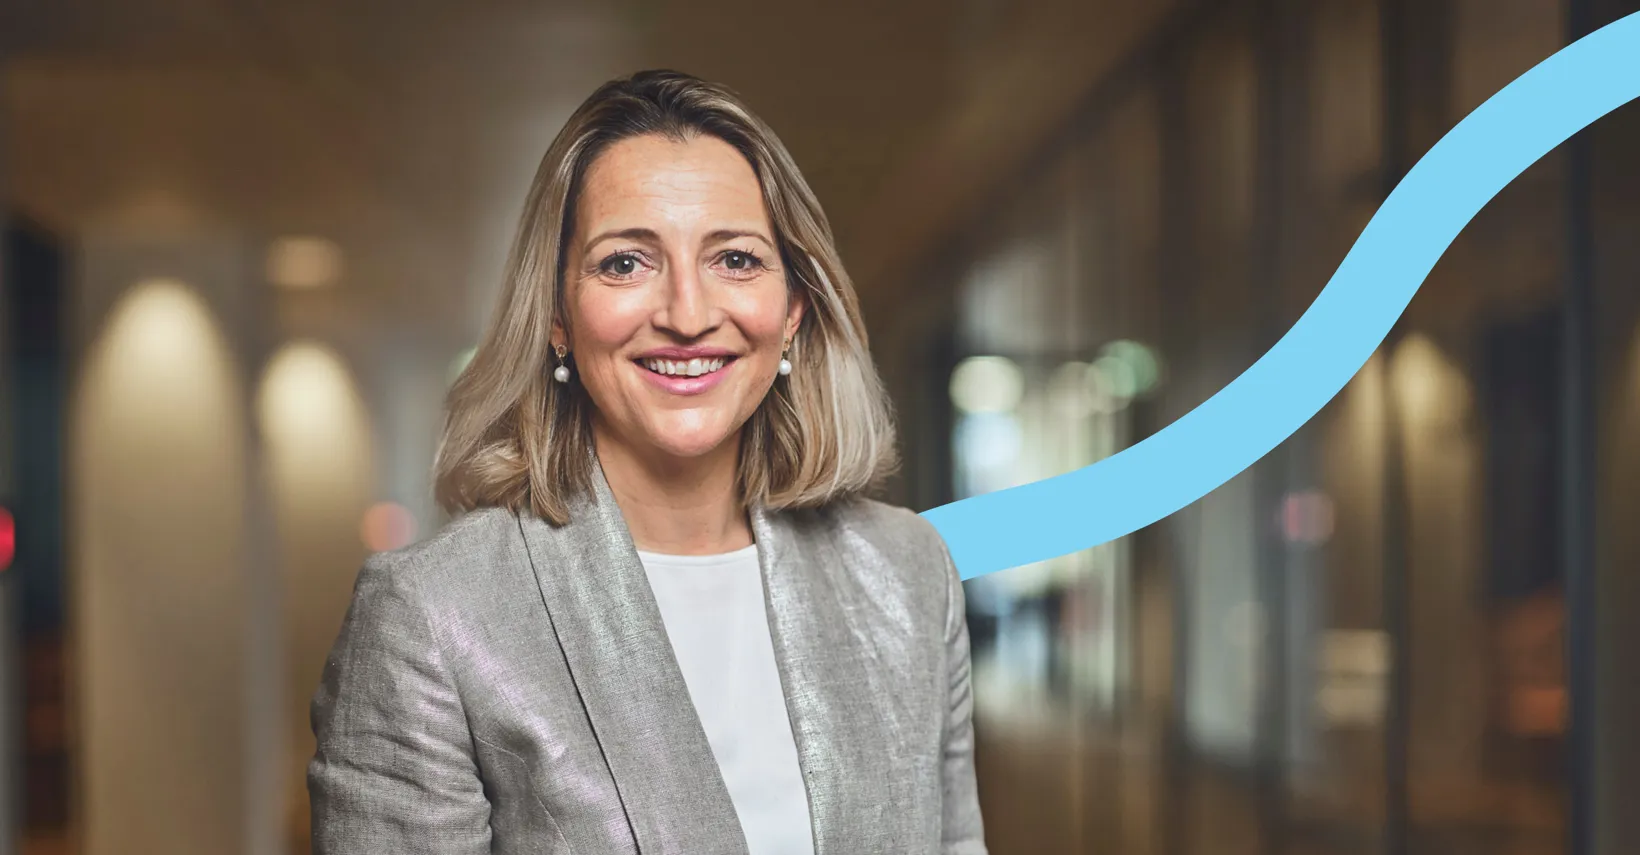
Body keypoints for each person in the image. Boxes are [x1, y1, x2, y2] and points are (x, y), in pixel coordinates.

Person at [306, 69, 987, 855]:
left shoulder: (907, 572)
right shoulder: (431, 613)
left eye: (734, 258)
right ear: (559, 317)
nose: (688, 315)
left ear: (794, 309)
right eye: (626, 263)